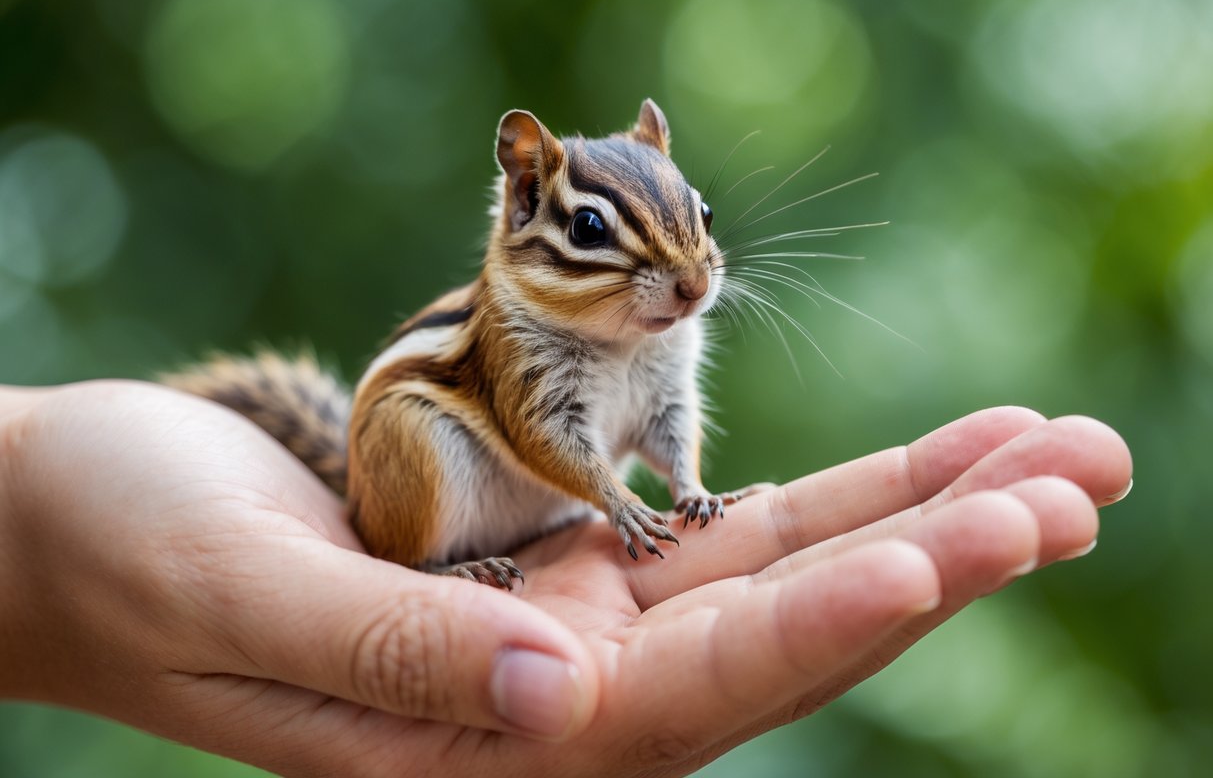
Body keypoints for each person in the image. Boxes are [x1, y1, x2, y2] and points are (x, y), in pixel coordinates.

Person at [0, 380, 1131, 777]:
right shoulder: (521, 331)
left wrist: (677, 480)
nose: (679, 278)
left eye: (690, 234)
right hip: (447, 488)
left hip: (547, 518)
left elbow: (656, 420)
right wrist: (33, 515)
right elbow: (552, 434)